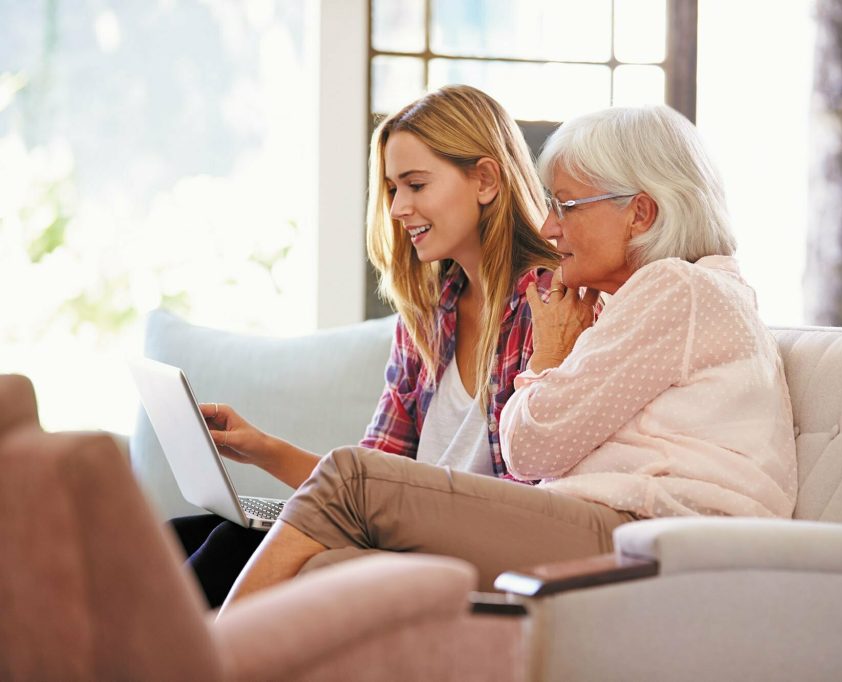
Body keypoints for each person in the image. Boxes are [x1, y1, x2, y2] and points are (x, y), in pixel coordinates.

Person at [219, 103, 798, 611]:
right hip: (628, 535)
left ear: (640, 214)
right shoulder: (642, 301)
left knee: (348, 478)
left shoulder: (678, 289)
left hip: (655, 543)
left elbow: (529, 449)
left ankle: (198, 664)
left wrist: (547, 352)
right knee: (323, 568)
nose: (550, 225)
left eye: (567, 206)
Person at [172, 84, 563, 607]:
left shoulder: (551, 305)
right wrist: (261, 449)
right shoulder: (426, 322)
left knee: (229, 546)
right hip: (407, 531)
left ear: (486, 180)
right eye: (392, 188)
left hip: (479, 546)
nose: (399, 208)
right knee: (185, 533)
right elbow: (366, 482)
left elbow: (539, 498)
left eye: (415, 184)